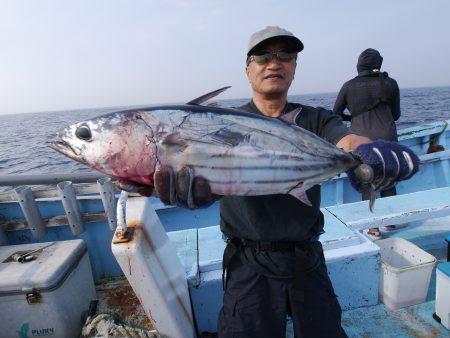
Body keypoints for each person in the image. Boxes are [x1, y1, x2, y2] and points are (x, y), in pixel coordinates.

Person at [118, 26, 419, 338]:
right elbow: (202, 169)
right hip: (247, 263)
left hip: (307, 258)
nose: (274, 62)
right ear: (248, 69)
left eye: (285, 55)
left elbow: (346, 139)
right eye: (262, 55)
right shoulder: (222, 125)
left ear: (294, 67)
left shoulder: (315, 119)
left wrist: (366, 154)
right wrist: (193, 186)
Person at [333, 48, 401, 240]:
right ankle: (390, 220)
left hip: (362, 141)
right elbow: (396, 115)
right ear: (378, 64)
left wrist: (352, 116)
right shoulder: (390, 83)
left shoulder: (348, 86)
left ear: (359, 65)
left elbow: (335, 113)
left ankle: (373, 229)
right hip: (388, 138)